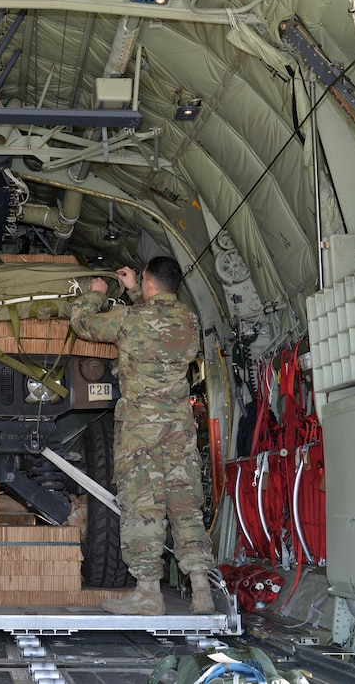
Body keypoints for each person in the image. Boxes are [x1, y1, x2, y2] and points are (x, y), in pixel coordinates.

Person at [70, 256, 215, 616]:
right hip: (179, 428)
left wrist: (96, 294)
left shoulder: (129, 320)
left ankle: (148, 593)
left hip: (142, 431)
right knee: (185, 504)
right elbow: (156, 322)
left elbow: (83, 324)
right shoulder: (189, 320)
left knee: (143, 506)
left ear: (149, 281)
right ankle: (201, 590)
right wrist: (136, 290)